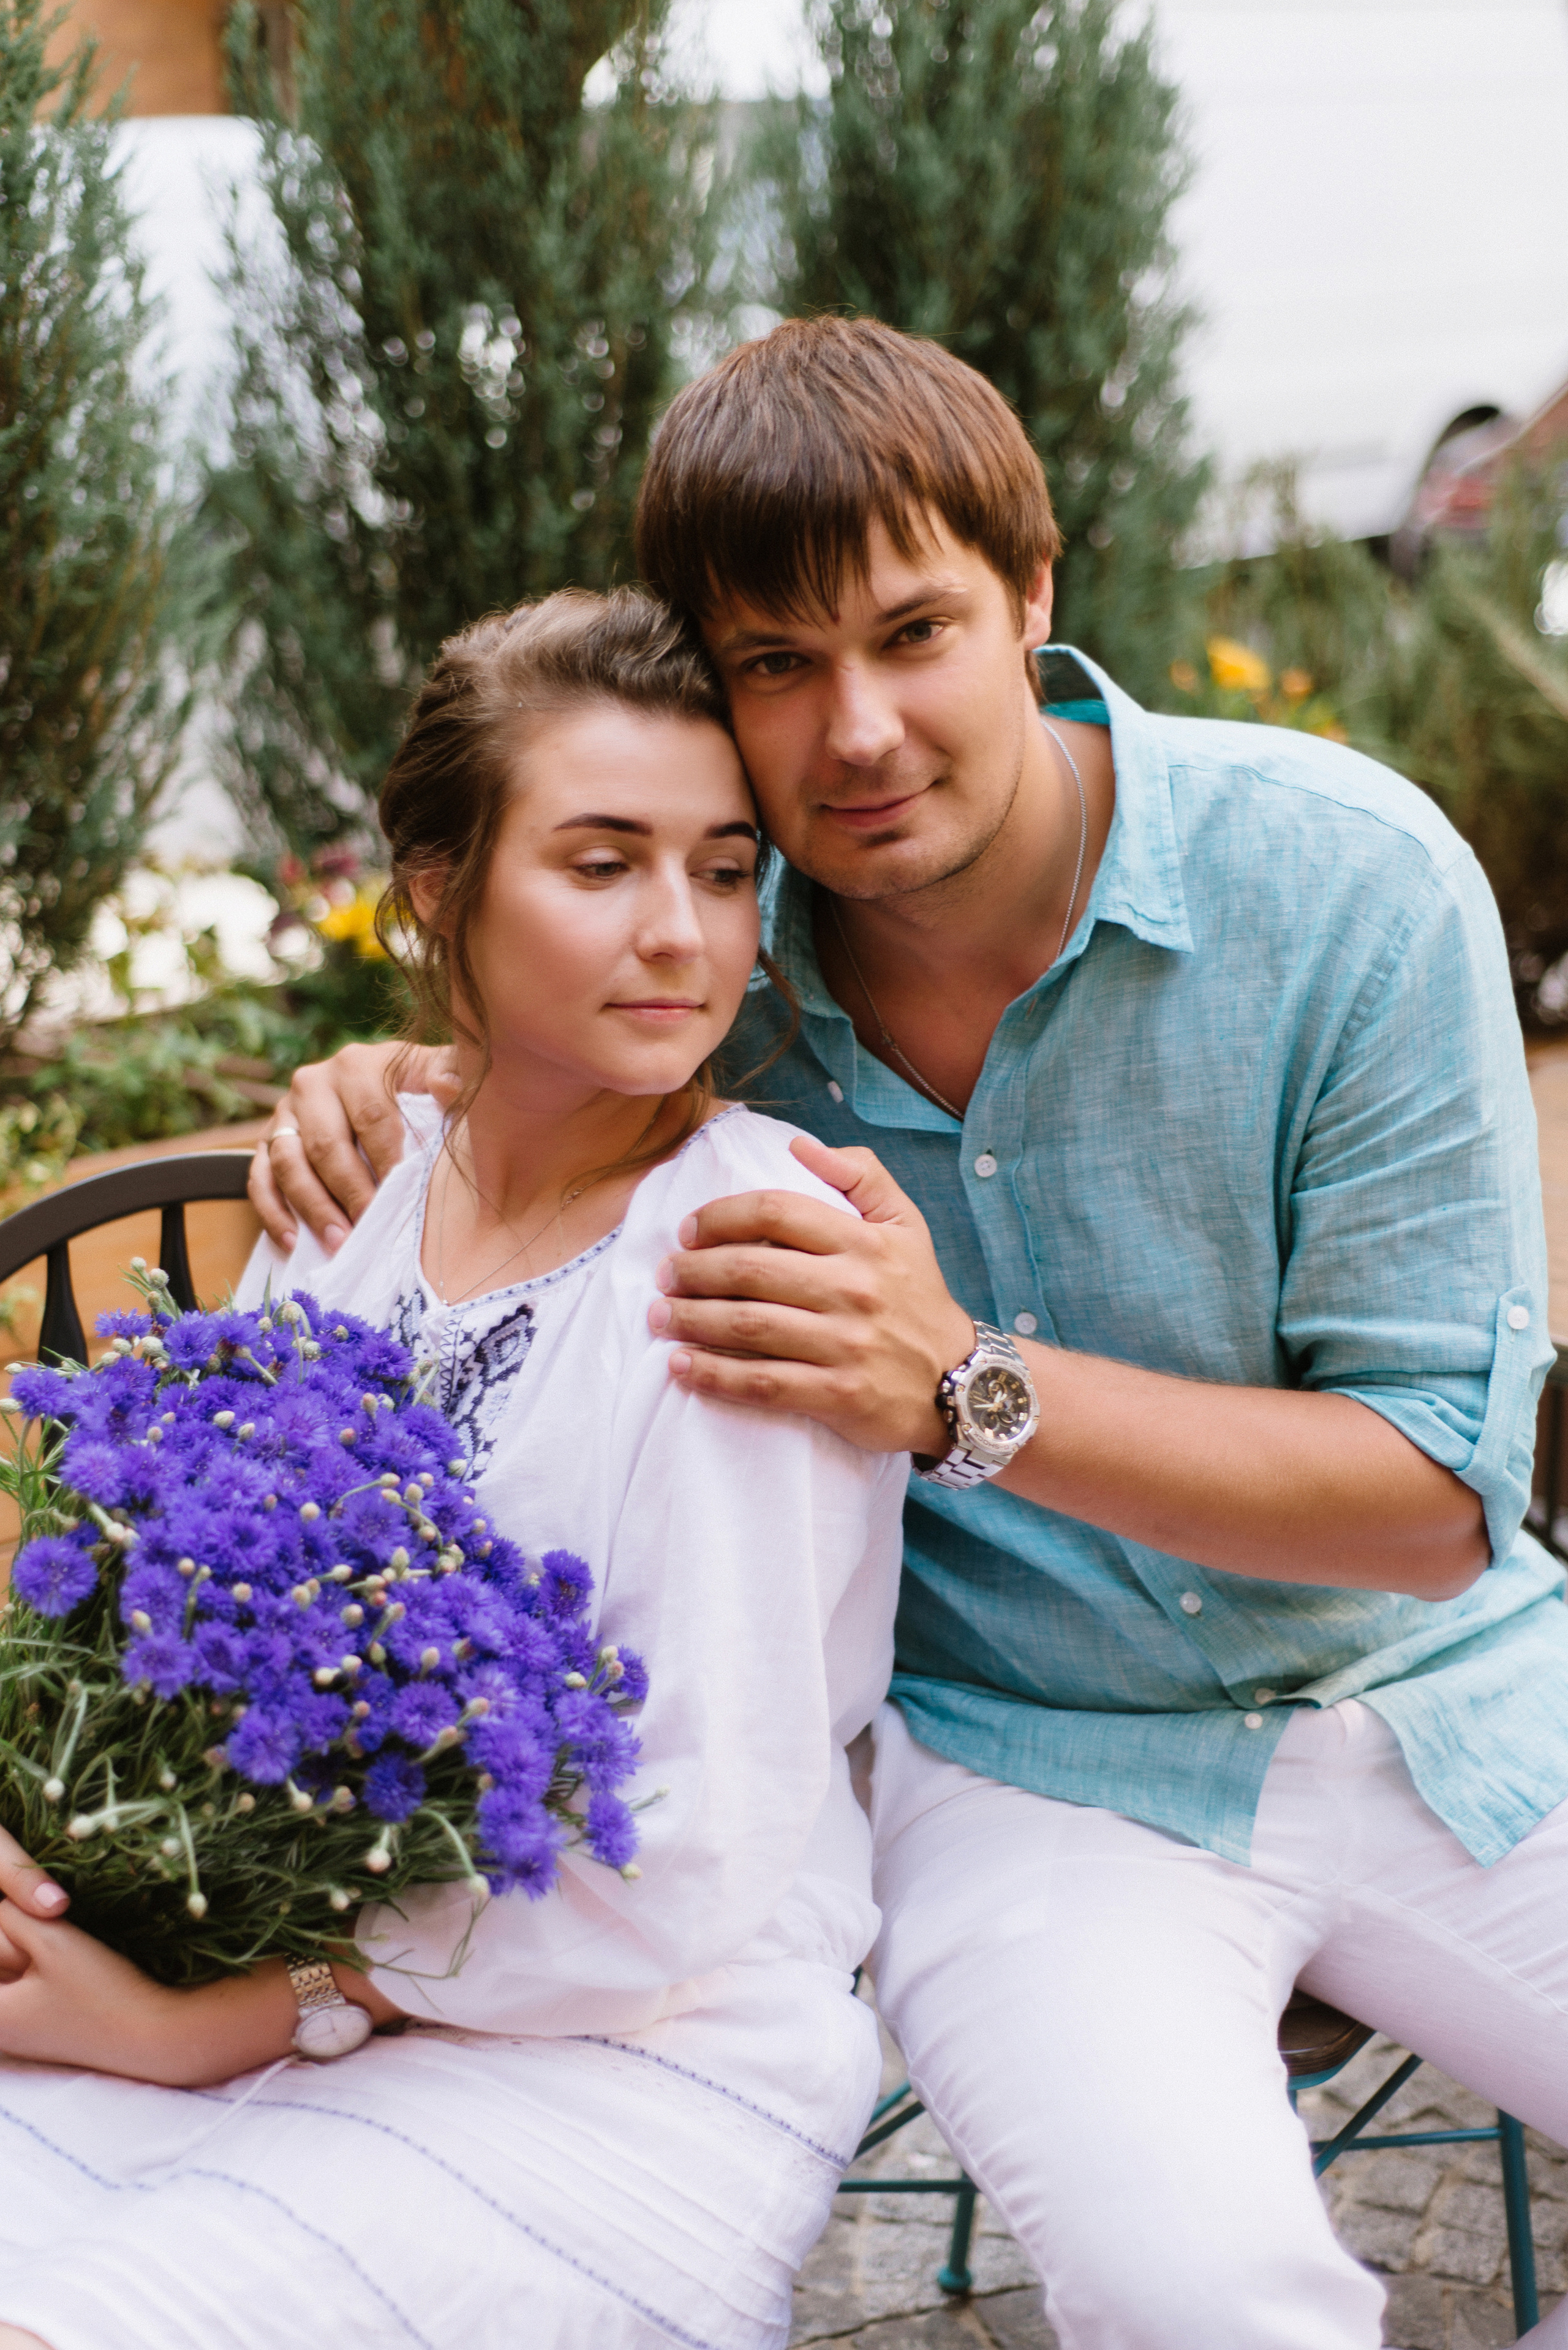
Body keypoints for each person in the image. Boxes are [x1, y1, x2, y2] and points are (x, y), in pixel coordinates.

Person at [253, 317, 1568, 2349]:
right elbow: (522, 1048)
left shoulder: (1348, 888)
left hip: (1458, 1707)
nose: (856, 729)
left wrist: (969, 1394)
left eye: (914, 632)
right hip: (1033, 1773)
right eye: (777, 663)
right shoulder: (714, 962)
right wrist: (385, 1078)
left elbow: (1436, 1510)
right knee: (1202, 2300)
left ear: (1033, 596)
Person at [0, 589, 908, 2350]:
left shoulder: (752, 1253)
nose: (682, 933)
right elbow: (170, 1614)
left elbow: (685, 1858)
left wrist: (221, 2021)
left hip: (628, 2046)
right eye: (602, 863)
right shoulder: (356, 1183)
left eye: (726, 869)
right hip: (257, 1955)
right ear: (437, 885)